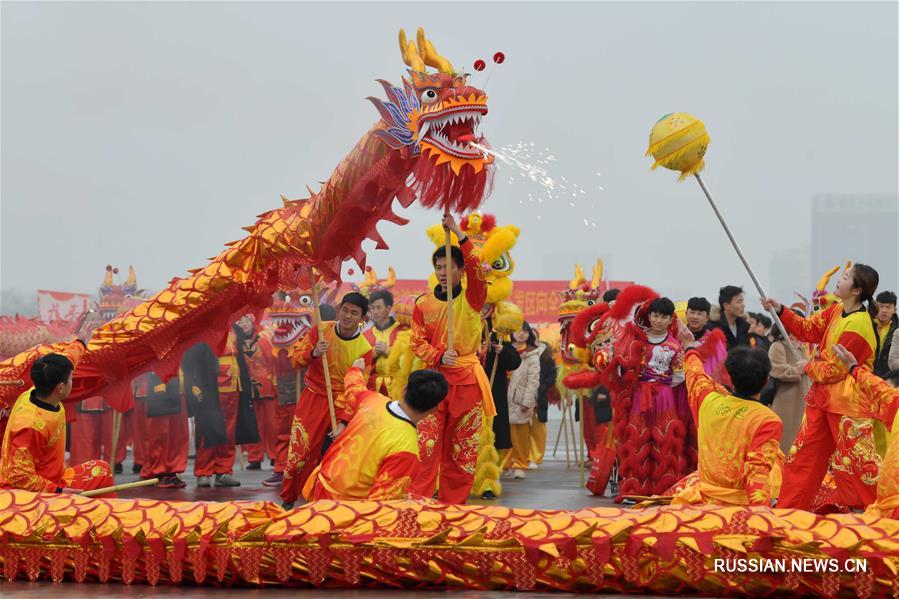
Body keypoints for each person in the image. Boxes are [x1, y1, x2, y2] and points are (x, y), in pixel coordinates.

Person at [762, 263, 881, 510]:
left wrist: (807, 366)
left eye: (846, 277)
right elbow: (808, 329)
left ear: (857, 290)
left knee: (858, 464)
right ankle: (789, 511)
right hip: (822, 400)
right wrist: (780, 310)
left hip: (848, 405)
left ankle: (876, 513)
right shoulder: (837, 310)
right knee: (802, 457)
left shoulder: (858, 325)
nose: (840, 279)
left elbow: (836, 370)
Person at [409, 213, 493, 504]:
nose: (443, 272)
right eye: (438, 267)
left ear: (461, 270)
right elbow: (416, 342)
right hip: (433, 384)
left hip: (467, 384)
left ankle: (453, 507)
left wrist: (457, 231)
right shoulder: (423, 304)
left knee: (461, 451)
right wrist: (438, 355)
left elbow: (478, 267)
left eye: (449, 267)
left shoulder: (473, 296)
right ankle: (418, 504)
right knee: (426, 446)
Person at [303, 360, 448, 501]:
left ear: (404, 389)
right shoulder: (407, 448)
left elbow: (353, 386)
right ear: (434, 409)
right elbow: (381, 502)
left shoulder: (373, 400)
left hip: (320, 486)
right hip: (346, 508)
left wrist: (356, 369)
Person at [280, 292, 373, 507]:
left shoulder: (364, 350)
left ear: (362, 319)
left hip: (340, 404)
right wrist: (313, 353)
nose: (348, 316)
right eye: (345, 310)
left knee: (333, 458)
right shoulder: (320, 331)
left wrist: (343, 422)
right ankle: (287, 500)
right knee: (299, 453)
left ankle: (322, 503)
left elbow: (357, 390)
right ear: (339, 309)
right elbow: (294, 360)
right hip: (313, 398)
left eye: (355, 313)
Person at [669, 346, 783, 506]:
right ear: (765, 381)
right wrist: (762, 516)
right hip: (739, 506)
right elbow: (757, 472)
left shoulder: (708, 401)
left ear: (730, 377)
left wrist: (690, 351)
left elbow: (696, 377)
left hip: (703, 498)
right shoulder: (767, 419)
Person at [0, 343, 116, 496]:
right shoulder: (31, 426)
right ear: (61, 387)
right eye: (71, 379)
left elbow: (68, 358)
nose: (73, 382)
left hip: (54, 477)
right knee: (101, 474)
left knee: (101, 470)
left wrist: (80, 343)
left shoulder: (37, 390)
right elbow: (19, 476)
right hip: (30, 492)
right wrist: (58, 491)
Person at [832, 345, 899, 518]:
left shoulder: (894, 401)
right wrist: (854, 368)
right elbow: (880, 388)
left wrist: (854, 367)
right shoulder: (894, 400)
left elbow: (880, 389)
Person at [181, 342, 231, 488]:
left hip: (229, 388)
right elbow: (189, 367)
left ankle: (223, 470)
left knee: (227, 433)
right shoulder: (197, 337)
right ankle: (203, 471)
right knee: (205, 431)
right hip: (205, 388)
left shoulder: (232, 333)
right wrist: (194, 388)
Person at [235, 315, 278, 471]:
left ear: (253, 323)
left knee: (272, 423)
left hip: (266, 384)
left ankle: (275, 456)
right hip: (247, 386)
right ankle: (255, 458)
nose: (244, 324)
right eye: (241, 321)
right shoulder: (236, 341)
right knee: (253, 423)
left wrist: (274, 382)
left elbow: (273, 361)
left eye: (246, 321)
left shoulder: (264, 338)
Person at [767, 312, 810, 453]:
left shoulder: (800, 347)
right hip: (785, 401)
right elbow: (777, 369)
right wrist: (799, 370)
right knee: (784, 442)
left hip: (802, 400)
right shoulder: (778, 346)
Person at [506, 321, 544, 479]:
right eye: (517, 330)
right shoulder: (505, 349)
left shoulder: (532, 355)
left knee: (520, 434)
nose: (521, 333)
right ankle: (506, 465)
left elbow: (533, 381)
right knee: (505, 434)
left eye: (525, 331)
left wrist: (527, 402)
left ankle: (520, 464)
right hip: (503, 398)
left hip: (520, 400)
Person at [482, 326, 521, 476]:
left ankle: (490, 475)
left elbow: (515, 362)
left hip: (493, 392)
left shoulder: (499, 334)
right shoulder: (463, 329)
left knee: (494, 434)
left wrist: (502, 351)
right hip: (469, 389)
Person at [141, 371, 189, 488]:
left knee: (177, 434)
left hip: (178, 387)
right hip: (159, 385)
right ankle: (158, 471)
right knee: (159, 433)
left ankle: (172, 470)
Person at [364, 289, 407, 396]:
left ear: (388, 308)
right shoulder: (366, 335)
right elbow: (358, 361)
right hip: (372, 387)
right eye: (372, 308)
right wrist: (372, 353)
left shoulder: (403, 331)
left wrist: (390, 352)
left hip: (397, 387)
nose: (375, 312)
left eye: (378, 307)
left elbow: (410, 358)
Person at [530, 340, 557, 467]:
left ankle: (537, 456)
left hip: (540, 396)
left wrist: (544, 385)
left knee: (539, 427)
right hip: (526, 396)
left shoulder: (548, 361)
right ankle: (526, 455)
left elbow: (552, 376)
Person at [873, 291, 897, 376]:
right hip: (866, 373)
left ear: (894, 310)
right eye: (881, 306)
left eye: (888, 307)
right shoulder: (867, 323)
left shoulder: (897, 330)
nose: (884, 310)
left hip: (888, 377)